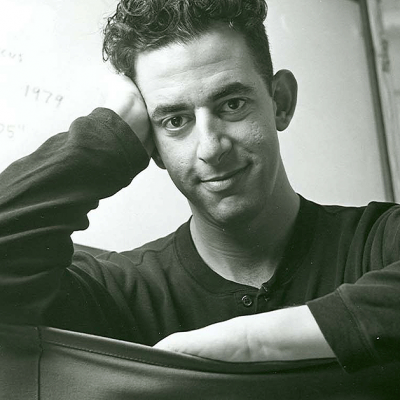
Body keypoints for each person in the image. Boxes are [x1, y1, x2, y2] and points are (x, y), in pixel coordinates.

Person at [0, 0, 399, 374]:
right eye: (175, 121)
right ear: (152, 145)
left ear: (280, 101)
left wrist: (249, 343)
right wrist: (111, 132)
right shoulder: (119, 292)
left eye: (232, 104)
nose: (211, 148)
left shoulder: (379, 242)